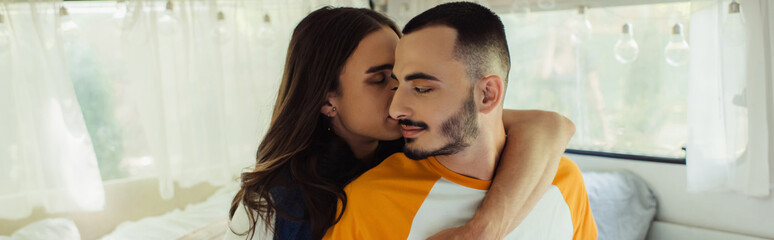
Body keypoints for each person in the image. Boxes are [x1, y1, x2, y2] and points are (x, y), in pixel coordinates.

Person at [227, 6, 576, 240]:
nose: (400, 100)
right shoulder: (283, 202)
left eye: (412, 80)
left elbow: (550, 126)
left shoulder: (417, 139)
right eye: (381, 80)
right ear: (325, 100)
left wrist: (484, 228)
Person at [323, 2, 597, 240]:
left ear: (487, 95)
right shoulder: (370, 202)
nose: (395, 109)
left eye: (421, 88)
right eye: (391, 82)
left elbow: (551, 125)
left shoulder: (564, 181)